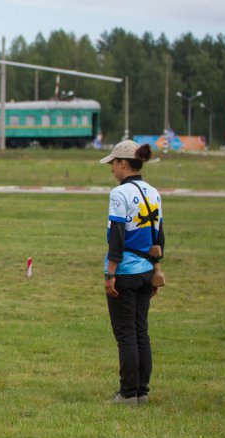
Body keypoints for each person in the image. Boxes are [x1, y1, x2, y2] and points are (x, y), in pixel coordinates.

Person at [100, 140, 164, 406]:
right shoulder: (153, 192)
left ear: (123, 163)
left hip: (125, 271)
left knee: (125, 334)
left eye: (113, 163)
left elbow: (117, 235)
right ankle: (142, 391)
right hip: (146, 270)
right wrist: (157, 270)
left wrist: (110, 274)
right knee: (140, 331)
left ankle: (127, 394)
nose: (112, 169)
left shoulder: (120, 194)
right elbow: (159, 235)